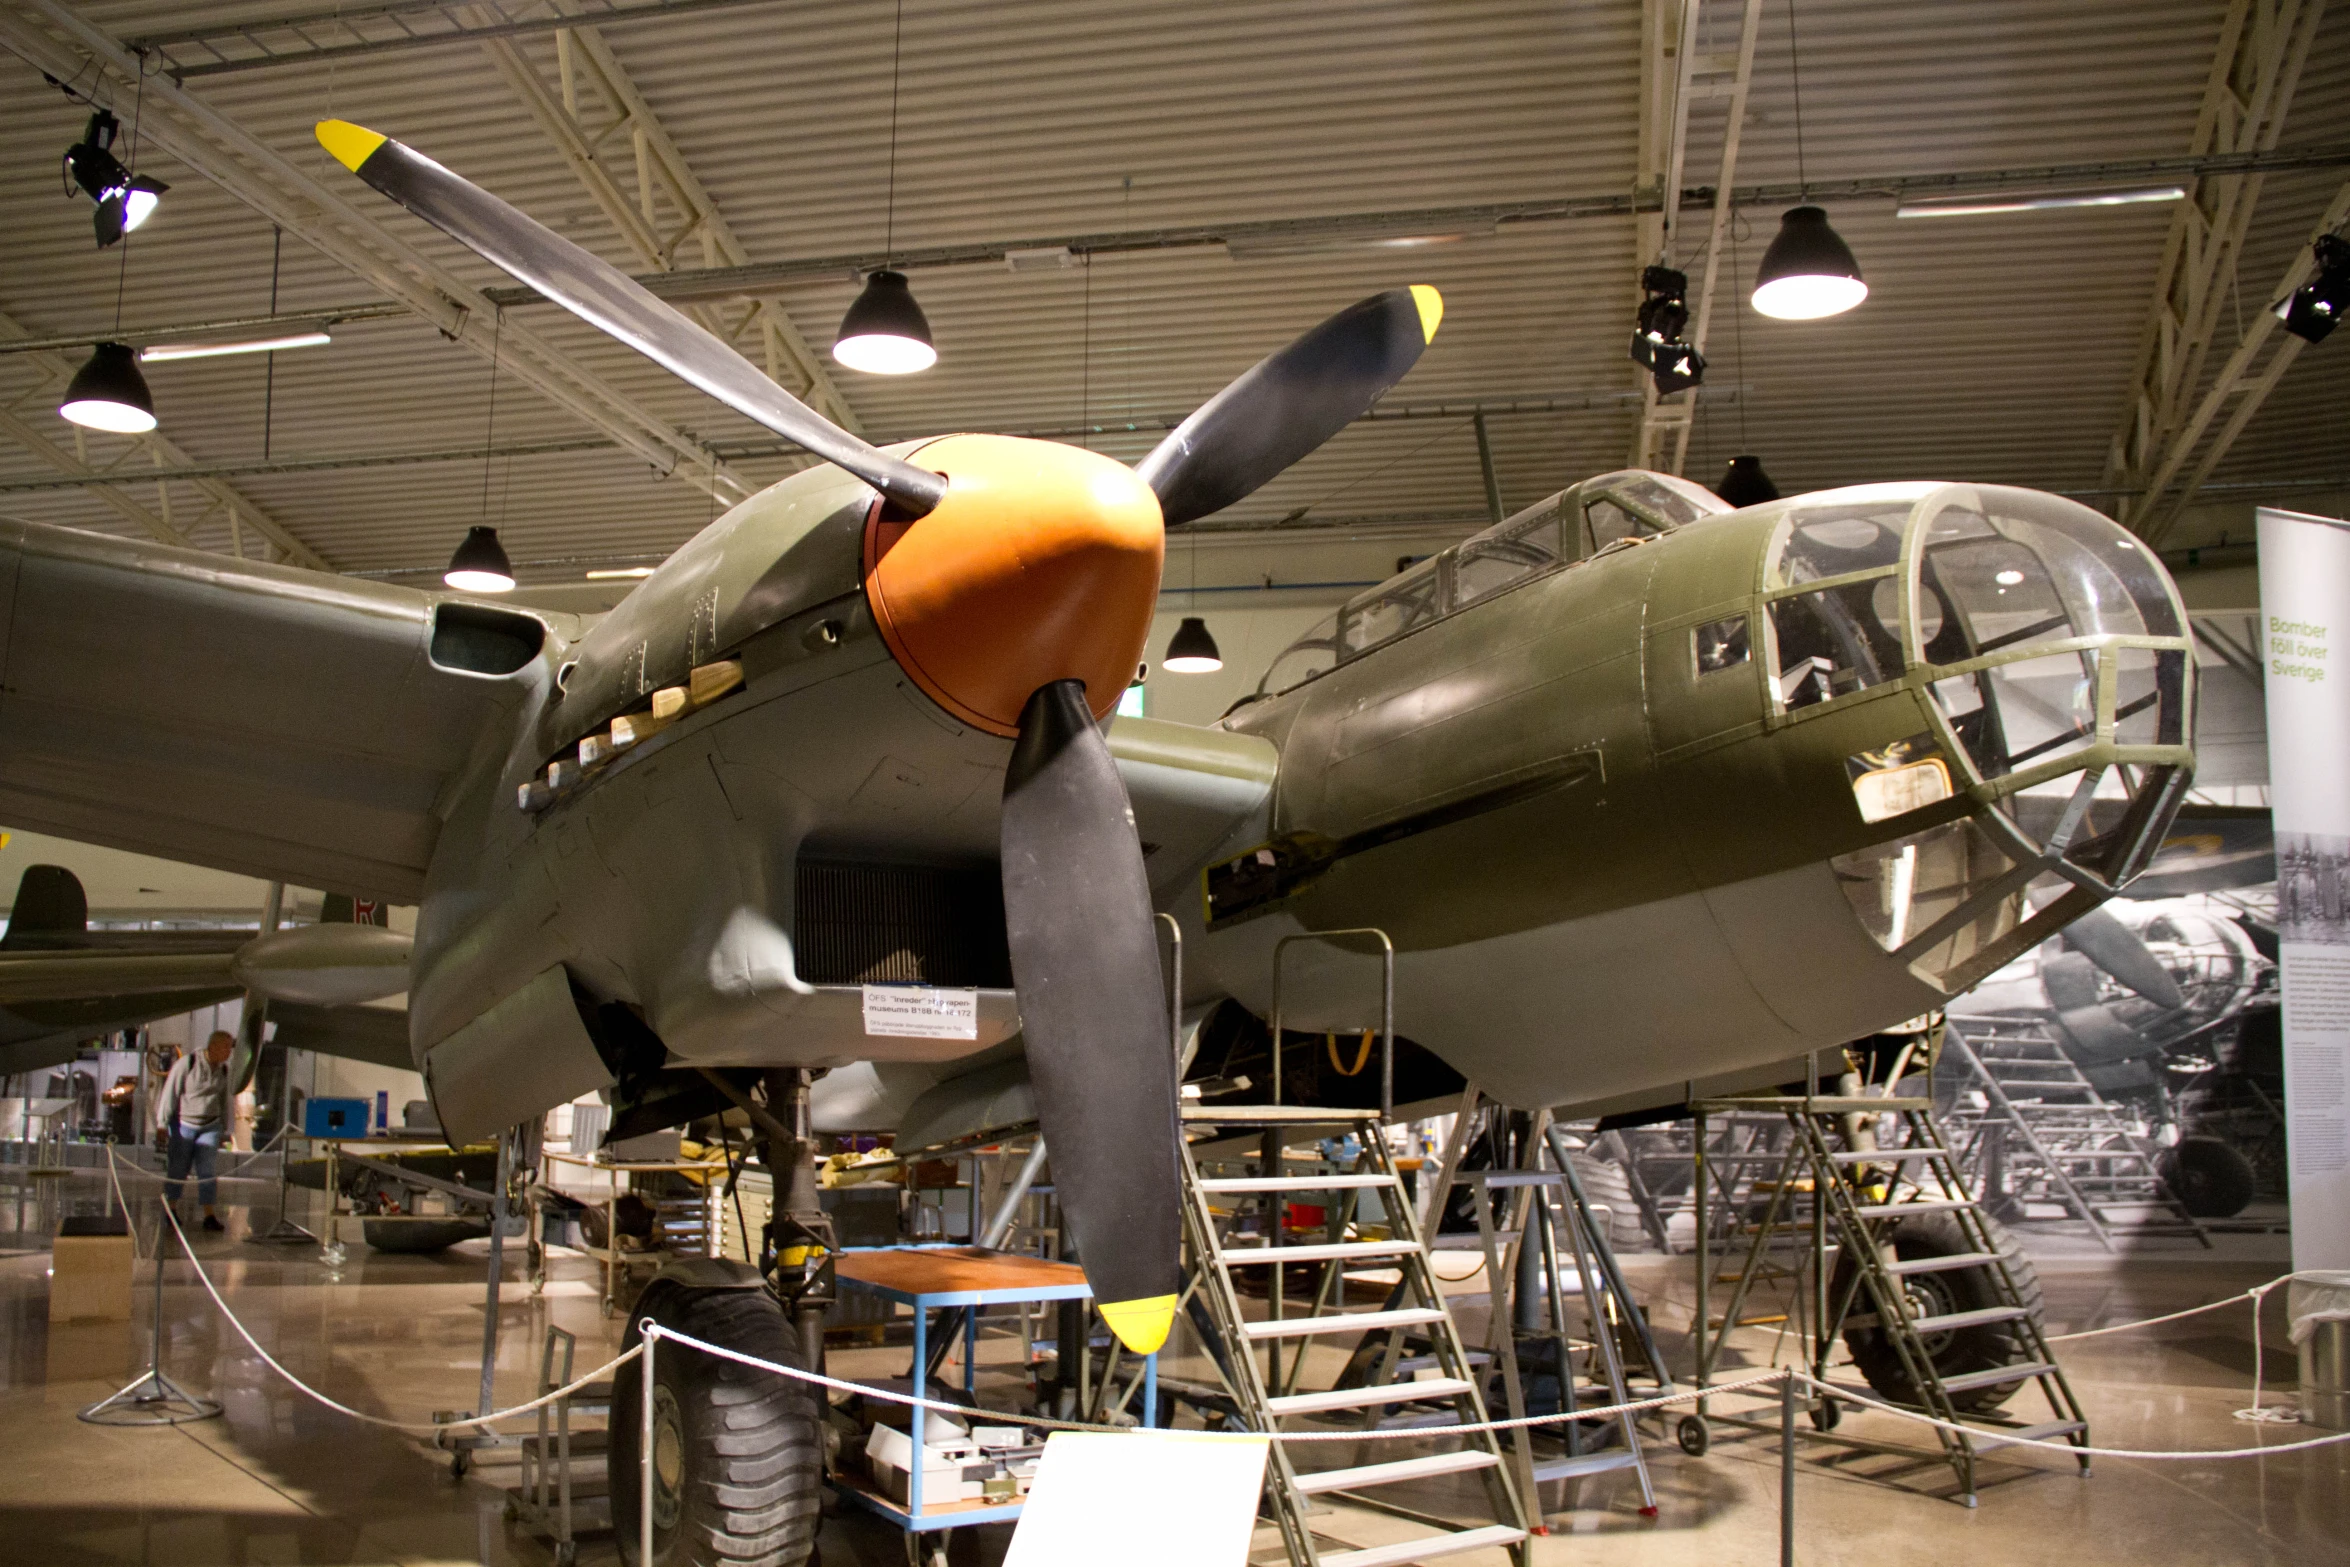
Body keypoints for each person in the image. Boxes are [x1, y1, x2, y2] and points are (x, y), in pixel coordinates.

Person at [156, 1030, 235, 1232]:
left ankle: (209, 1215)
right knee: (178, 1168)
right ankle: (170, 1210)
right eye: (226, 1047)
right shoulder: (188, 1064)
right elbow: (170, 1092)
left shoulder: (223, 1070)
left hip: (210, 1125)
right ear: (214, 1046)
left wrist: (225, 1128)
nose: (229, 1052)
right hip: (185, 1124)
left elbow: (223, 1100)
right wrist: (162, 1124)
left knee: (207, 1172)